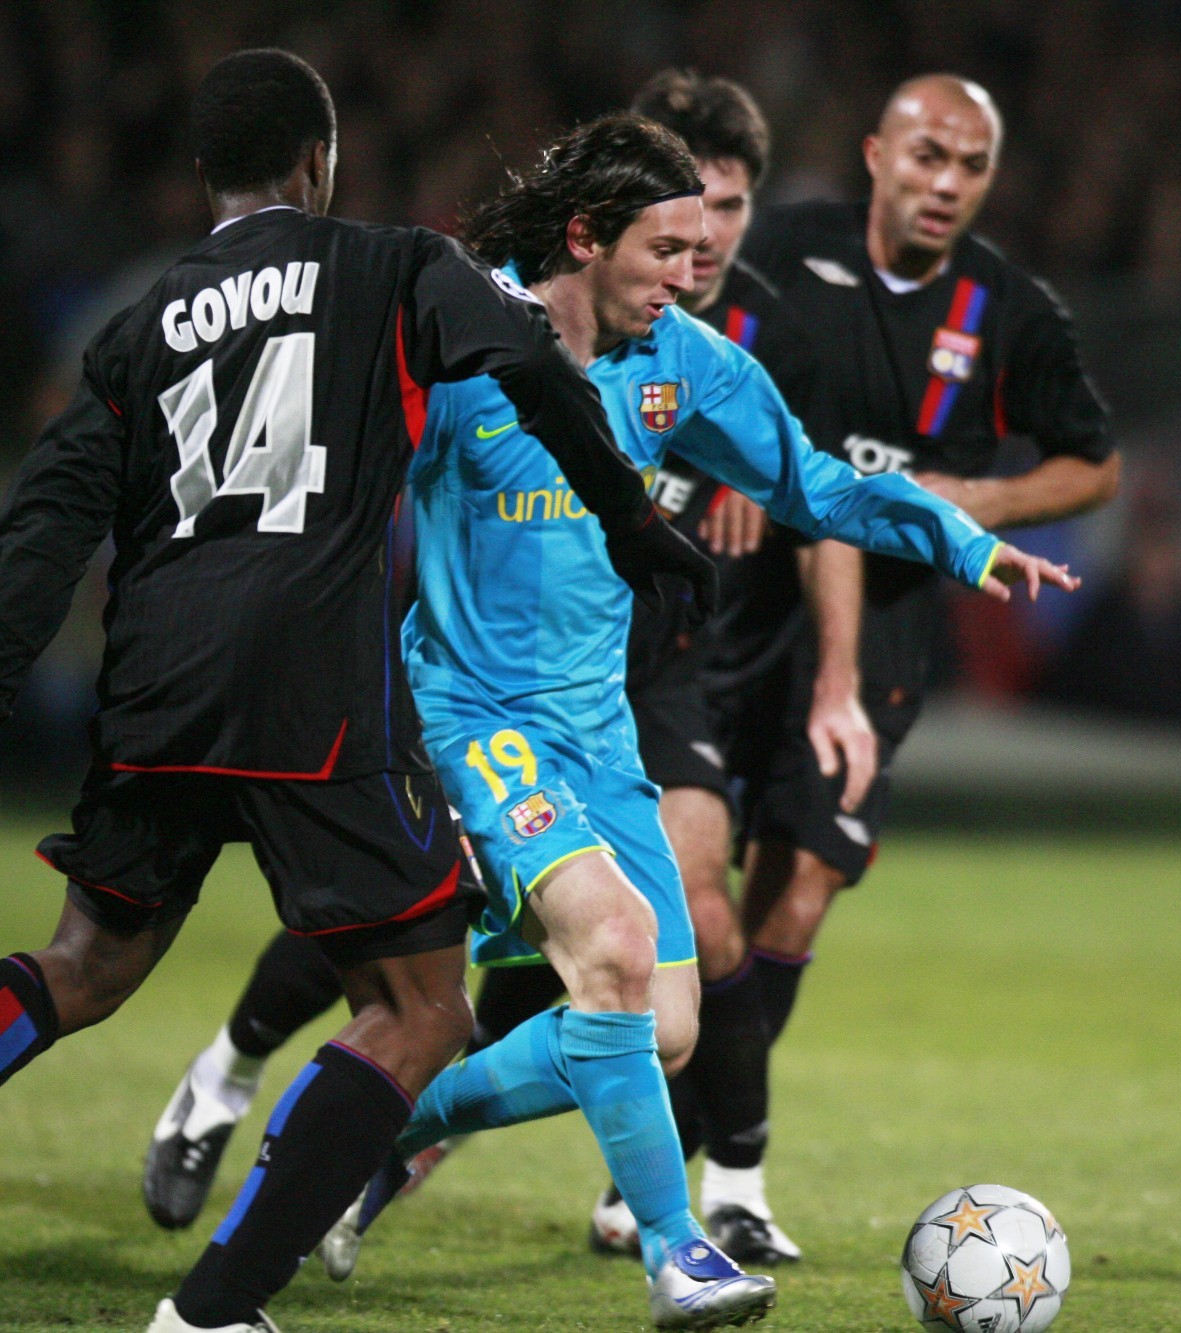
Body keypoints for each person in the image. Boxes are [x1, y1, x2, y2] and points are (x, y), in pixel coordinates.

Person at [0, 49, 710, 1333]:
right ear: (319, 161)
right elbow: (527, 356)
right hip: (310, 687)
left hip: (157, 685)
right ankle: (215, 1307)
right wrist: (629, 518)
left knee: (83, 962)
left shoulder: (138, 325)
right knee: (419, 1008)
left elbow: (41, 529)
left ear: (207, 178)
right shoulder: (390, 263)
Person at [295, 112, 1074, 1330]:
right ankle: (678, 1251)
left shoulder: (685, 364)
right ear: (585, 237)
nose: (689, 269)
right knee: (608, 950)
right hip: (472, 715)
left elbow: (812, 482)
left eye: (703, 242)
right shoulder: (464, 340)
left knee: (656, 1027)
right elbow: (339, 494)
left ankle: (371, 1136)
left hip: (598, 733)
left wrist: (965, 541)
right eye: (664, 247)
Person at [138, 70, 856, 1271]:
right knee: (420, 947)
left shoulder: (739, 332)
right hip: (477, 674)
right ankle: (233, 1072)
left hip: (637, 671)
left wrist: (816, 628)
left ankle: (403, 1148)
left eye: (729, 209)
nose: (706, 238)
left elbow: (806, 479)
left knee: (639, 974)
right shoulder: (508, 317)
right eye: (683, 211)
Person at [702, 73, 1122, 1238]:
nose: (945, 184)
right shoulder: (781, 250)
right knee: (688, 892)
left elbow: (1094, 466)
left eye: (970, 167)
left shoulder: (1010, 310)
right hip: (736, 594)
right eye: (927, 155)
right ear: (875, 151)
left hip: (882, 619)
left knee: (798, 889)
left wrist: (977, 495)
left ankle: (715, 1175)